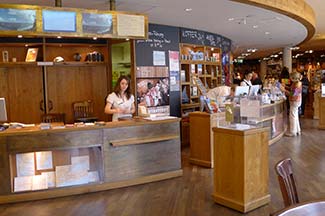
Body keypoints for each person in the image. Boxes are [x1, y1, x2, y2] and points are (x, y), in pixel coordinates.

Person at [284, 71, 302, 136]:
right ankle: (297, 130)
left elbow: (294, 95)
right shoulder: (296, 83)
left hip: (295, 101)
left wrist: (285, 91)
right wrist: (286, 87)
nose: (290, 78)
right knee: (295, 116)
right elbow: (292, 90)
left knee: (292, 116)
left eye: (291, 77)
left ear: (294, 78)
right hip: (296, 101)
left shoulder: (297, 85)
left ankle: (293, 132)